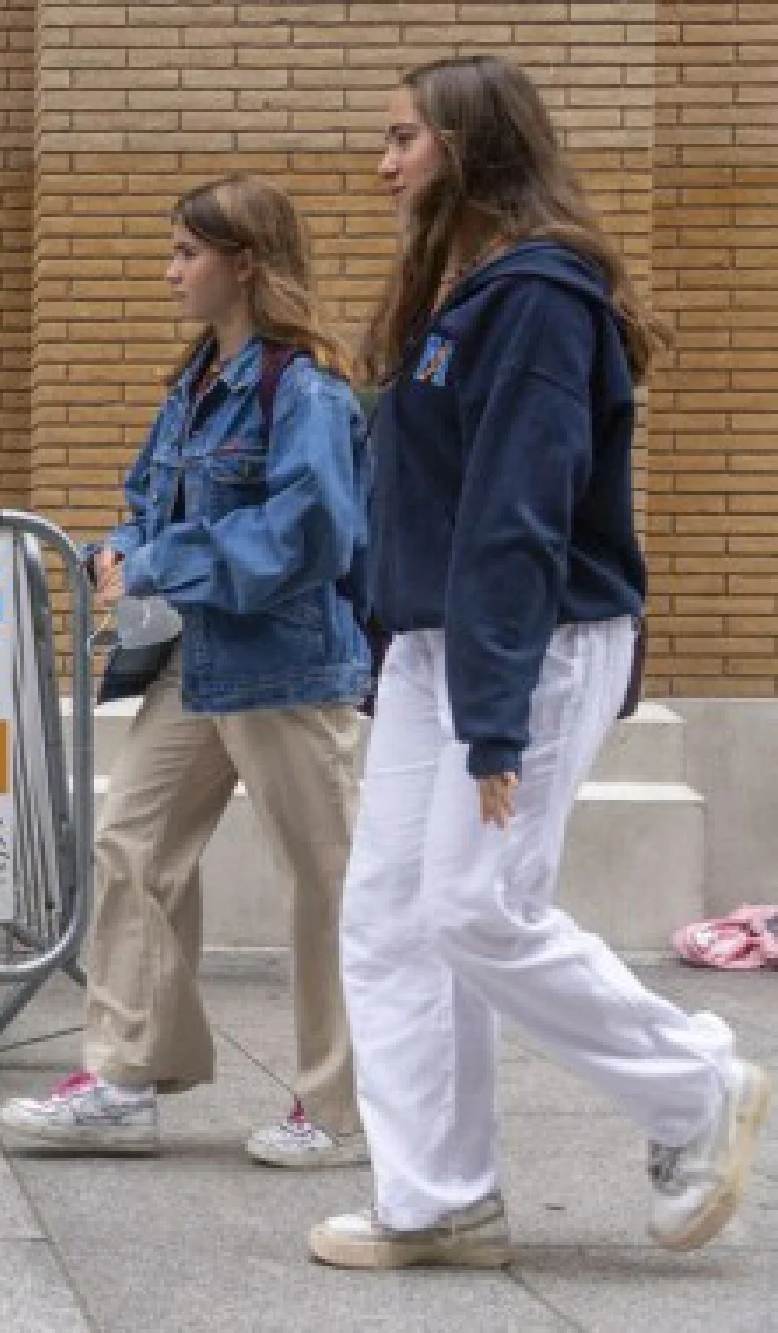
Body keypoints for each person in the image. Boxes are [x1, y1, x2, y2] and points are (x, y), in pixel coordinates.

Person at [310, 54, 771, 1269]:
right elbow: (413, 500)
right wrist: (386, 649)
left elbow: (517, 513)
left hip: (530, 641)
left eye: (402, 137)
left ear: (469, 147)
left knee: (475, 906)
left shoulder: (536, 298)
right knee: (391, 919)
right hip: (430, 647)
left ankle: (695, 1086)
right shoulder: (458, 299)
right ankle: (437, 1198)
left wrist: (495, 718)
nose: (383, 162)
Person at [0, 175, 374, 1165]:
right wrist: (121, 546)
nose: (168, 272)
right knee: (130, 849)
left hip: (289, 669)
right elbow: (147, 500)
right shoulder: (193, 386)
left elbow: (313, 528)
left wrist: (159, 561)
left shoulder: (304, 389)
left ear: (242, 261)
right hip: (195, 659)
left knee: (327, 886)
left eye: (184, 253)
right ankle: (125, 1078)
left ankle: (340, 1110)